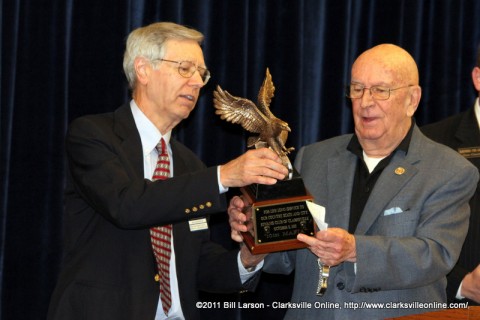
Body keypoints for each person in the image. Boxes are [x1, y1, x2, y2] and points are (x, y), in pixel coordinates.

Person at [46, 22, 288, 320]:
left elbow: (196, 264)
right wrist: (223, 176)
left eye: (202, 74)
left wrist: (249, 256)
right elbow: (128, 205)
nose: (198, 83)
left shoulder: (189, 165)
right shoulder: (94, 135)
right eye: (185, 68)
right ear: (143, 69)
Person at [229, 44, 479, 319]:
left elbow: (435, 254)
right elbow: (286, 255)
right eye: (357, 89)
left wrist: (356, 250)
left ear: (412, 100)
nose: (365, 101)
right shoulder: (313, 158)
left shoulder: (449, 170)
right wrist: (253, 237)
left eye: (380, 90)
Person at [421, 44, 480, 305]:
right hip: (455, 306)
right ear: (478, 79)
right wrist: (461, 284)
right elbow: (405, 229)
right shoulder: (432, 143)